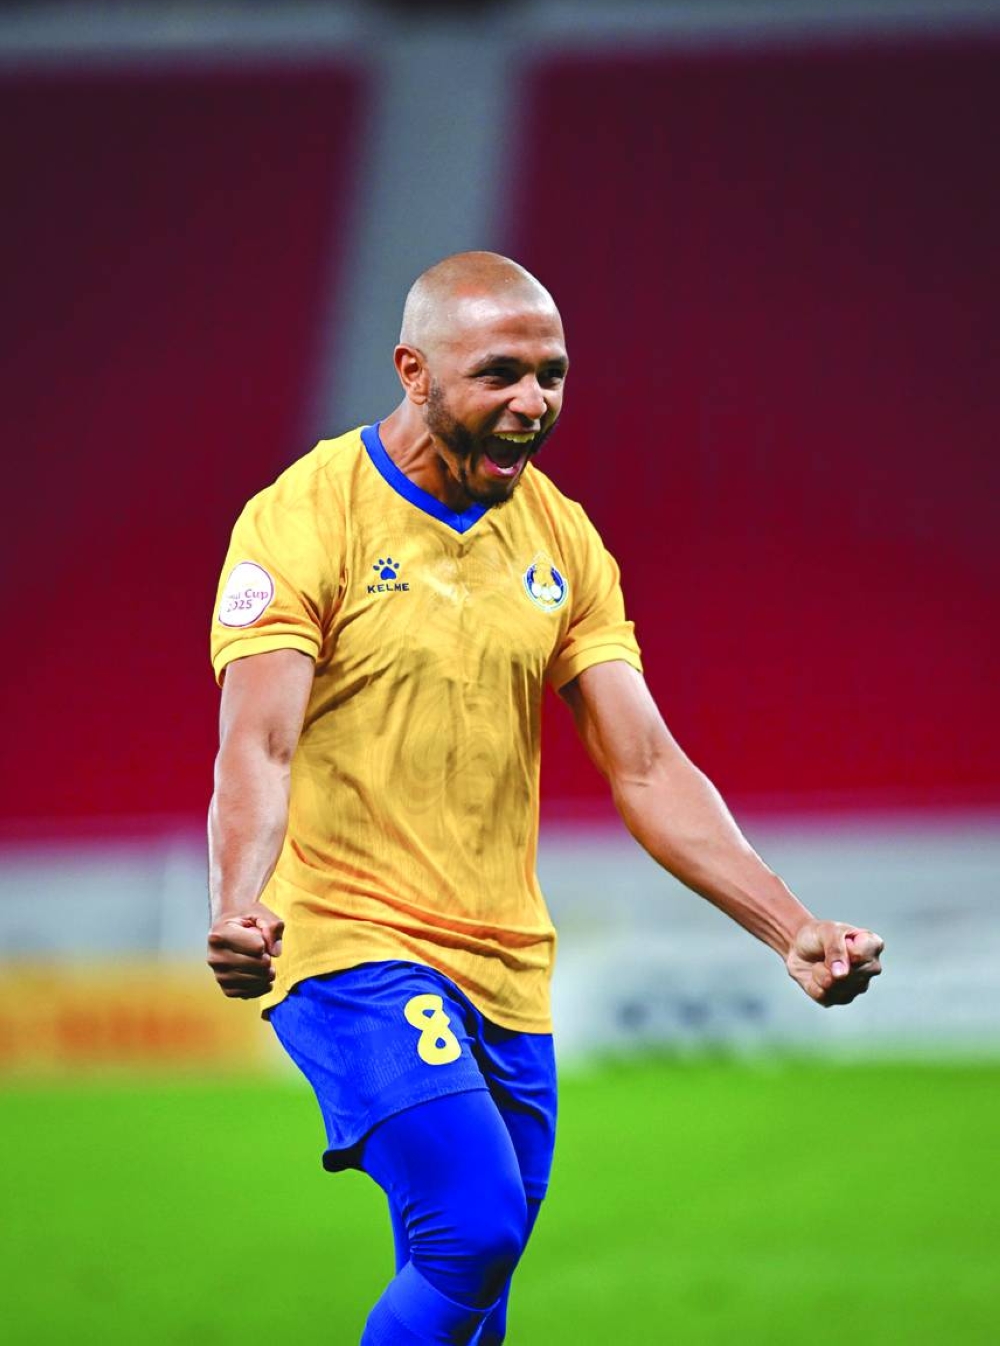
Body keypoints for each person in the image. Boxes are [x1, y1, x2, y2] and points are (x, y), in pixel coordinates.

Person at [207, 251, 884, 1345]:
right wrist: (238, 900)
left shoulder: (561, 541)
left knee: (483, 1286)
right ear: (413, 371)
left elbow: (648, 765)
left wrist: (789, 926)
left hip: (507, 960)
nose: (534, 404)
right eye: (500, 376)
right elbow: (261, 741)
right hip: (343, 936)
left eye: (552, 375)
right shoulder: (303, 518)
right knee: (470, 1229)